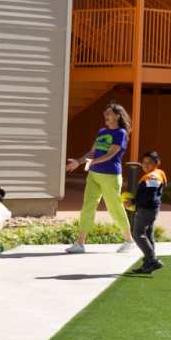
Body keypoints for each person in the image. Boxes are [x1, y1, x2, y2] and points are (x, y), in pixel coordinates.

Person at [65, 103, 136, 254]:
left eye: (109, 113)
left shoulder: (120, 133)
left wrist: (93, 162)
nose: (106, 115)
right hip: (94, 175)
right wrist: (79, 161)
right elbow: (93, 152)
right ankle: (80, 243)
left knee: (114, 208)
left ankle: (129, 240)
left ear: (117, 116)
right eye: (105, 113)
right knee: (88, 207)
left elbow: (111, 154)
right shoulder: (102, 132)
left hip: (110, 175)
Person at [125, 151, 167, 273]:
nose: (145, 165)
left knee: (138, 234)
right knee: (148, 234)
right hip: (151, 209)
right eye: (143, 162)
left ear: (157, 163)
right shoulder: (158, 173)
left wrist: (133, 202)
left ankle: (152, 260)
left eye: (149, 163)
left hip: (146, 209)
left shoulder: (153, 176)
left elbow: (150, 195)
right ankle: (148, 265)